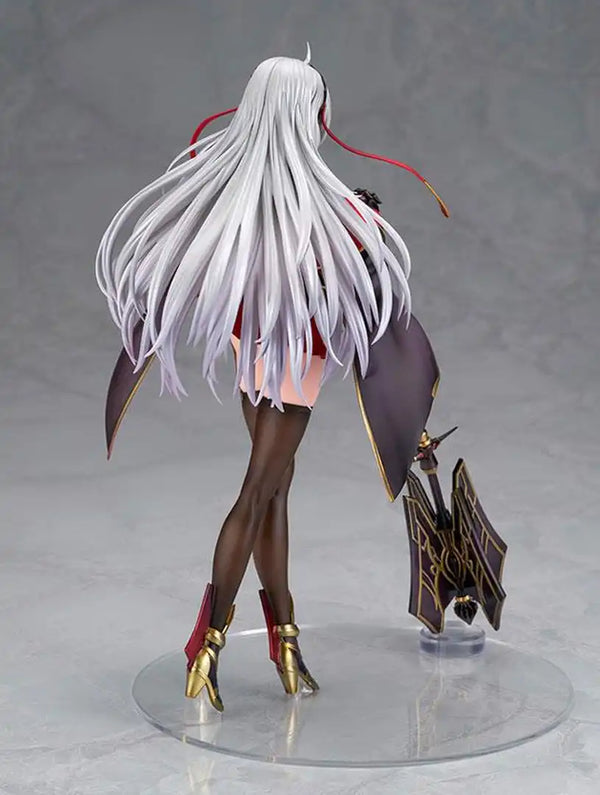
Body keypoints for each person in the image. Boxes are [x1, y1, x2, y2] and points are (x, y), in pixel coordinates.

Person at [96, 50, 447, 712]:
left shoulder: (239, 201)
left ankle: (285, 640)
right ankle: (207, 643)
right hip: (291, 369)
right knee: (259, 491)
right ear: (305, 113)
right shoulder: (332, 214)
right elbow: (374, 320)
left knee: (276, 490)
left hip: (255, 357)